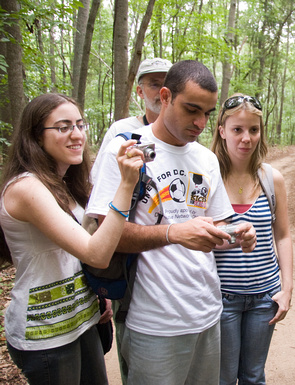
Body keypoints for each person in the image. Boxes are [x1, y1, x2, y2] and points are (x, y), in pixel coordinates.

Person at [86, 60, 257, 385]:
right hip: (153, 321)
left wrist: (238, 235)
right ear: (165, 97)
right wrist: (172, 233)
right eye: (192, 109)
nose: (200, 122)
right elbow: (103, 238)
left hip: (207, 313)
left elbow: (217, 228)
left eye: (207, 113)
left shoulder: (206, 158)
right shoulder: (126, 149)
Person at [0, 93, 143, 384]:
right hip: (47, 331)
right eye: (63, 127)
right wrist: (126, 184)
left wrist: (96, 292)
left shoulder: (65, 183)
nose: (76, 134)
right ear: (36, 137)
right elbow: (96, 253)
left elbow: (75, 254)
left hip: (82, 319)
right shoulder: (26, 188)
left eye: (80, 124)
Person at [92, 56, 172, 385]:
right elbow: (97, 201)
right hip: (132, 266)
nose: (161, 91)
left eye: (166, 83)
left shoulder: (190, 134)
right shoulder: (121, 133)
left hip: (178, 269)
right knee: (137, 351)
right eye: (153, 83)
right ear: (140, 90)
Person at [210, 93, 294, 385]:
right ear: (222, 131)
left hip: (264, 297)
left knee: (253, 377)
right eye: (237, 130)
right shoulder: (209, 179)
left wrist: (287, 289)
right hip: (222, 298)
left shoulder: (273, 179)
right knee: (222, 378)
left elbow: (282, 236)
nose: (246, 138)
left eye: (253, 130)